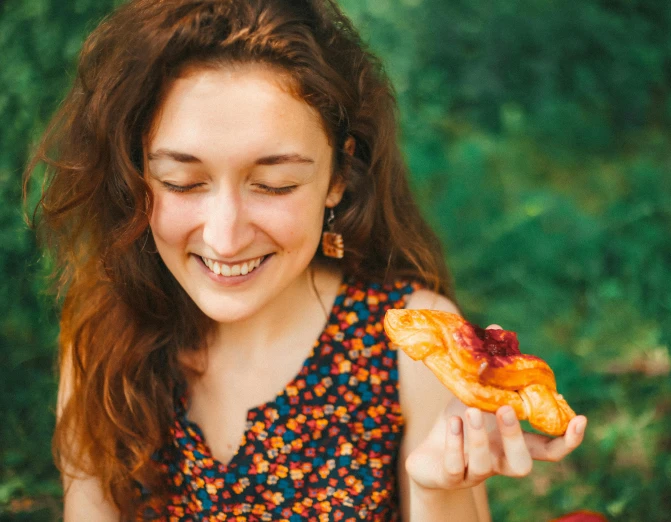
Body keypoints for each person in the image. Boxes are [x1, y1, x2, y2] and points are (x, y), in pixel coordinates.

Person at [25, 0, 588, 520]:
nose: (224, 238)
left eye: (273, 185)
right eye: (183, 182)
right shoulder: (101, 332)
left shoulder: (412, 345)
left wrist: (440, 490)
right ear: (136, 175)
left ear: (338, 177)